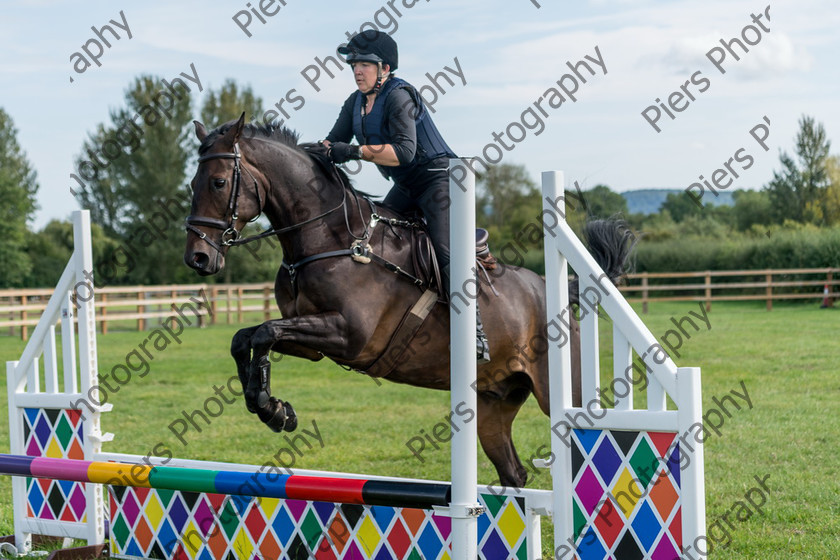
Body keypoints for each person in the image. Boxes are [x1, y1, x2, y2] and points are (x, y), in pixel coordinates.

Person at [322, 30, 490, 363]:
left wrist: (353, 151)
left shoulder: (400, 96)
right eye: (353, 64)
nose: (357, 70)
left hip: (439, 179)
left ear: (384, 68)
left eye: (364, 64)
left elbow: (404, 152)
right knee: (373, 233)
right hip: (408, 185)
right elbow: (331, 143)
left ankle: (475, 330)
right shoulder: (355, 103)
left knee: (445, 249)